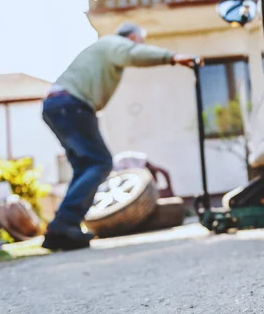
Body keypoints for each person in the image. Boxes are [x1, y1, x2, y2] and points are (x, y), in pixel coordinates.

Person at [41, 22, 201, 250]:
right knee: (100, 162)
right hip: (71, 105)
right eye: (139, 42)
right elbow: (134, 54)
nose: (139, 46)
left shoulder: (104, 47)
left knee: (85, 167)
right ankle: (62, 224)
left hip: (60, 105)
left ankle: (65, 231)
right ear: (132, 38)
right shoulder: (114, 43)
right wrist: (172, 57)